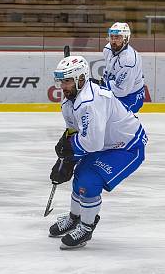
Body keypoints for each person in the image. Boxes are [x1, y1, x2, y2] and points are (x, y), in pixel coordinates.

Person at [48, 56, 147, 249]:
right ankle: (74, 218)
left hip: (127, 147)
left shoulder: (91, 102)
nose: (62, 86)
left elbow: (92, 143)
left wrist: (70, 149)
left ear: (81, 79)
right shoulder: (69, 103)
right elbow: (77, 133)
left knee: (89, 180)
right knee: (80, 174)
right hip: (106, 144)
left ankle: (86, 227)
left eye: (67, 81)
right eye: (61, 80)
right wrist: (66, 160)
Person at [102, 22, 145, 113]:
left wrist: (101, 84)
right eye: (112, 37)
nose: (113, 41)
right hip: (117, 90)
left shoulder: (129, 60)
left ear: (126, 38)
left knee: (114, 118)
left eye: (117, 37)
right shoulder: (107, 49)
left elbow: (122, 90)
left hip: (131, 96)